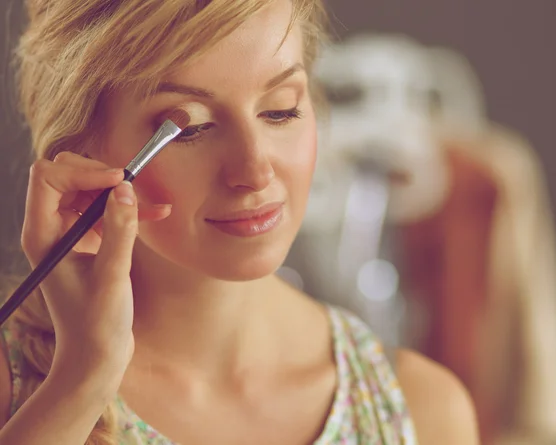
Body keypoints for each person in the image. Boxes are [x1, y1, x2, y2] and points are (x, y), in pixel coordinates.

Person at [0, 0, 479, 443]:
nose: (254, 172)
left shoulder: (422, 411)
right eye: (191, 129)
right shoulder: (19, 391)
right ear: (81, 149)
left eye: (281, 110)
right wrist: (82, 381)